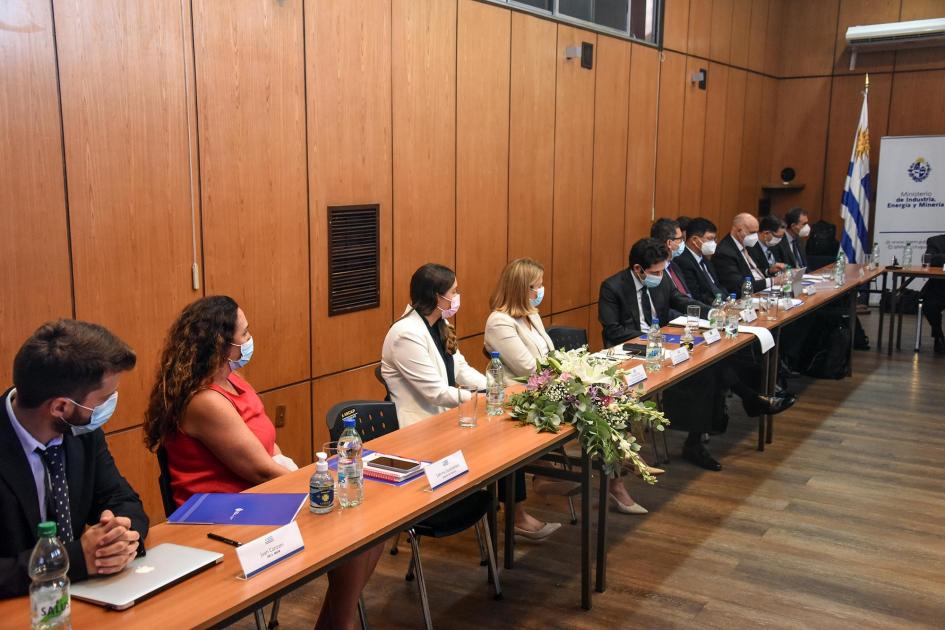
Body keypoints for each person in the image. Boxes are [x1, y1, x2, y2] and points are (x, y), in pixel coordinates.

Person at [144, 296, 380, 630]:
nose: (250, 339)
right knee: (353, 528)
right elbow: (259, 469)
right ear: (223, 345)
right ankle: (341, 621)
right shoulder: (204, 401)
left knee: (371, 529)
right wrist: (315, 484)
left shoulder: (233, 381)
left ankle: (339, 618)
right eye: (245, 333)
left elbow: (266, 442)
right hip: (224, 513)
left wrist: (305, 478)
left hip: (258, 495)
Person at [1, 320, 148, 597]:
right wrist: (72, 560)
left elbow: (123, 500)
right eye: (105, 398)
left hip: (85, 596)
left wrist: (119, 537)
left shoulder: (81, 431)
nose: (110, 404)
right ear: (61, 407)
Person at [484, 259, 617, 526]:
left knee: (603, 403)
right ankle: (545, 477)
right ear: (521, 288)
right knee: (587, 406)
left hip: (545, 387)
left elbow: (549, 354)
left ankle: (613, 472)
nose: (541, 290)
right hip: (516, 396)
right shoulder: (499, 322)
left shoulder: (531, 314)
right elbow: (528, 367)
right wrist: (566, 374)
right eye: (536, 286)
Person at [381, 263, 486, 427]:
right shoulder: (405, 334)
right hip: (418, 428)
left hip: (444, 418)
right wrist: (475, 397)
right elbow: (435, 392)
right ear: (437, 296)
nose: (457, 295)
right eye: (454, 291)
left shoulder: (440, 323)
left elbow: (461, 369)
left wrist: (493, 387)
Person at [713, 212, 782, 295]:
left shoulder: (746, 244)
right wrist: (772, 281)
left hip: (760, 291)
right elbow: (739, 286)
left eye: (756, 232)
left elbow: (752, 272)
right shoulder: (725, 252)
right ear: (739, 231)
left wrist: (769, 271)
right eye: (752, 232)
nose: (755, 236)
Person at [675, 217, 726, 305]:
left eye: (714, 239)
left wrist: (728, 299)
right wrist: (719, 304)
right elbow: (696, 295)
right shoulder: (683, 261)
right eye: (710, 239)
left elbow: (717, 285)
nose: (714, 243)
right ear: (694, 240)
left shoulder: (705, 258)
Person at [651, 218, 694, 299]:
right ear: (669, 243)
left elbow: (687, 296)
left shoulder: (674, 265)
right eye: (680, 239)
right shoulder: (655, 272)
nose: (683, 242)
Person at [921, 233, 945, 355]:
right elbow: (929, 258)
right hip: (938, 288)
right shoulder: (935, 241)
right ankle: (938, 336)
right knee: (929, 306)